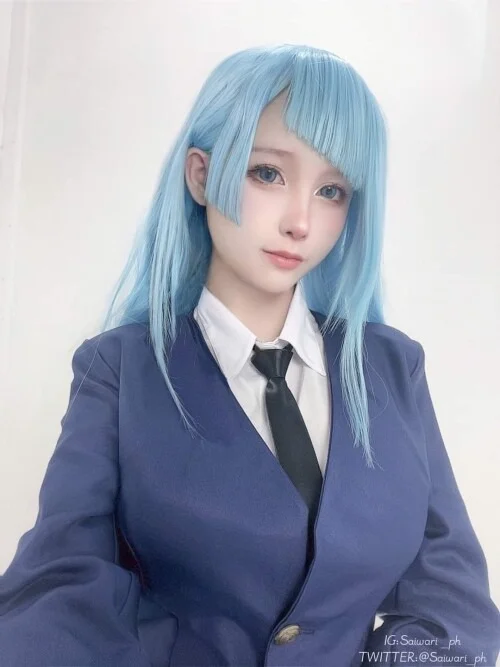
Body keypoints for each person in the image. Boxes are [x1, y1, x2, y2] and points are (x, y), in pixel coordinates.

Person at [0, 43, 498, 667]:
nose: (300, 222)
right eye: (268, 174)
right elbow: (61, 591)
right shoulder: (120, 371)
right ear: (201, 176)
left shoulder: (393, 368)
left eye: (332, 190)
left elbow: (452, 602)